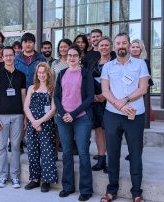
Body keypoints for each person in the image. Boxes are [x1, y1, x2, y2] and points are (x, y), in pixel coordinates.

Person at [100, 33, 149, 202]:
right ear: (114, 47)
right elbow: (105, 91)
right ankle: (111, 191)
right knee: (112, 154)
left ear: (129, 45)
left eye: (124, 43)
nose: (121, 46)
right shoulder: (107, 66)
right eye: (118, 43)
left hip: (135, 115)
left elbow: (143, 88)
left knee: (135, 154)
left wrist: (126, 100)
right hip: (112, 115)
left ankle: (136, 193)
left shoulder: (140, 64)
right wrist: (118, 104)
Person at [54, 45, 94, 201]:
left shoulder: (85, 74)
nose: (71, 58)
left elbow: (90, 97)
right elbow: (56, 96)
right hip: (64, 119)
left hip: (81, 118)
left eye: (75, 55)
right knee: (67, 153)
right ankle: (68, 186)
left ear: (80, 56)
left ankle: (86, 190)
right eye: (69, 55)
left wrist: (73, 114)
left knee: (83, 153)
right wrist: (64, 114)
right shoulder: (62, 73)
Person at [0, 46, 26, 188]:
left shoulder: (21, 75)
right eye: (6, 55)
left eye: (11, 55)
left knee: (16, 147)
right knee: (2, 147)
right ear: (2, 57)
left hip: (18, 115)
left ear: (14, 57)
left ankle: (15, 176)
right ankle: (3, 176)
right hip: (2, 116)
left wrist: (25, 116)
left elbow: (23, 96)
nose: (9, 58)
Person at [23, 62, 58, 193]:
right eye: (39, 73)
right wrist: (33, 122)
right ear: (36, 74)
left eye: (44, 72)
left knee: (47, 153)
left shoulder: (52, 88)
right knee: (32, 152)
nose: (42, 75)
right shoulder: (32, 88)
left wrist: (40, 122)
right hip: (33, 124)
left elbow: (53, 109)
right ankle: (35, 179)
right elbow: (26, 106)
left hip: (46, 124)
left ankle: (46, 180)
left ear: (48, 73)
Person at [88, 37, 116, 172]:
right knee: (98, 130)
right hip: (95, 102)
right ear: (98, 48)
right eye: (101, 45)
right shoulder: (94, 61)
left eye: (106, 45)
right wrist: (92, 96)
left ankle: (112, 162)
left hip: (111, 101)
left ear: (111, 47)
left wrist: (104, 96)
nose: (104, 47)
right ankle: (101, 159)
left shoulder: (115, 62)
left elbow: (118, 84)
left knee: (110, 132)